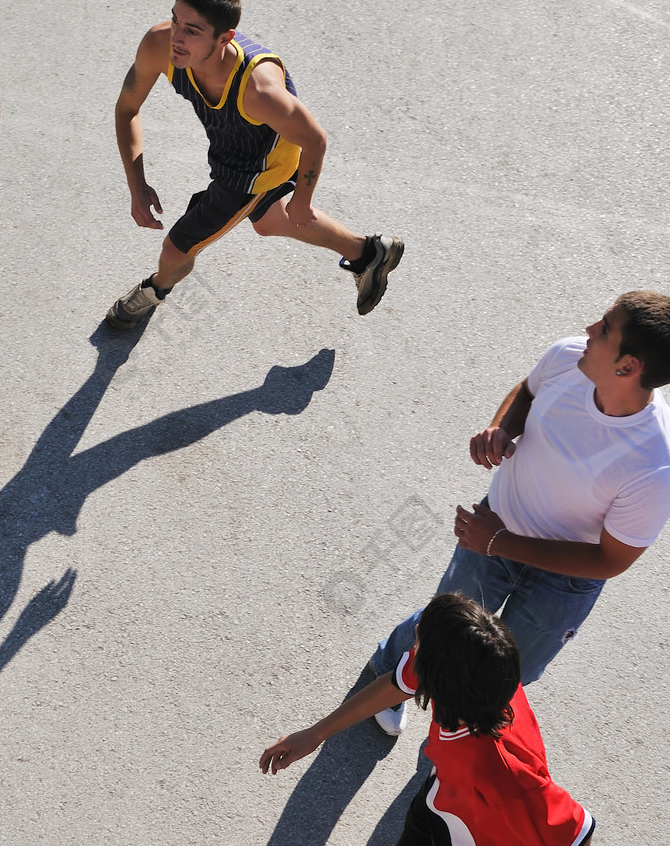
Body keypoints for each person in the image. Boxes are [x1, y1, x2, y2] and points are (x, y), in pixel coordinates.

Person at [371, 290, 670, 735]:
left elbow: (611, 561)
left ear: (628, 367)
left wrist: (497, 542)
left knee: (505, 673)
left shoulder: (654, 463)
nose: (589, 330)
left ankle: (459, 742)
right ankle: (389, 674)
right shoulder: (569, 356)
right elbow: (527, 392)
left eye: (605, 329)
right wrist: (502, 429)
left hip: (559, 583)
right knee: (440, 630)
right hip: (493, 532)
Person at [105, 0, 403, 329]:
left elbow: (315, 140)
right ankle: (368, 252)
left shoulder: (259, 92)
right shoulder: (160, 43)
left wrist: (303, 200)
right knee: (269, 221)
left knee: (177, 248)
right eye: (175, 20)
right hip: (232, 143)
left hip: (254, 170)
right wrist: (136, 184)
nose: (177, 38)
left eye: (193, 31)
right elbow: (127, 109)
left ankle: (154, 290)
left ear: (225, 38)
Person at [260, 593, 595, 846]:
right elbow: (394, 684)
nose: (416, 629)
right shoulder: (471, 674)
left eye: (420, 637)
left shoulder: (504, 770)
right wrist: (316, 734)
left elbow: (576, 832)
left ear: (439, 676)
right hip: (437, 805)